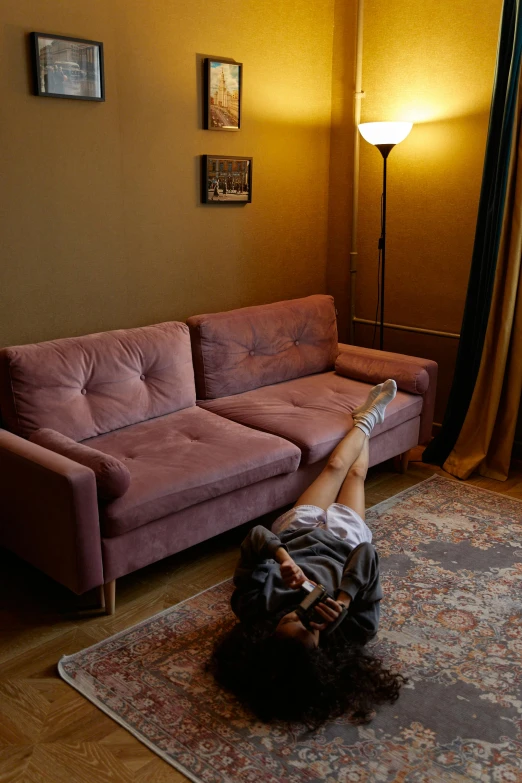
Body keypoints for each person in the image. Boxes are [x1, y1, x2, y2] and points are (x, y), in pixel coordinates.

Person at [209, 379, 406, 727]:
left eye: (290, 618)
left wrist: (284, 560)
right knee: (358, 474)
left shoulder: (255, 607)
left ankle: (368, 417)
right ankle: (369, 418)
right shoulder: (355, 631)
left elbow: (257, 536)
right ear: (321, 650)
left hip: (299, 530)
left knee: (334, 468)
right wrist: (344, 599)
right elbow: (366, 554)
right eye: (311, 626)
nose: (305, 612)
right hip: (347, 540)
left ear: (269, 634)